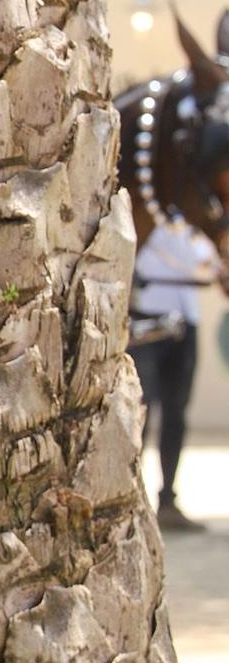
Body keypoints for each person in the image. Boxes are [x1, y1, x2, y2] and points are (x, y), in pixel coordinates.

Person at [130, 217, 224, 532]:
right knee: (140, 412)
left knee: (176, 412)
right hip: (146, 319)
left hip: (187, 321)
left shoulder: (192, 225)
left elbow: (209, 262)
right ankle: (131, 499)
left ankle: (167, 501)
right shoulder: (148, 211)